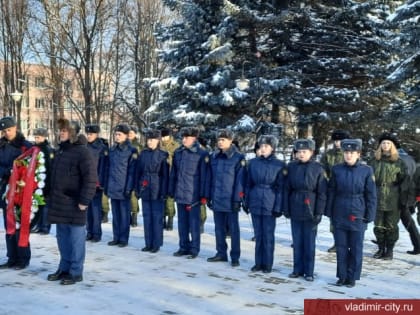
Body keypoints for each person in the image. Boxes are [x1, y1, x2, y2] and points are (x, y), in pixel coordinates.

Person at [46, 118, 97, 285]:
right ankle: (64, 267)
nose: (61, 133)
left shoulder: (83, 152)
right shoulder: (61, 151)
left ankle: (76, 272)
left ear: (73, 133)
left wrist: (84, 200)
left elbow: (90, 179)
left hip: (75, 203)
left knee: (76, 239)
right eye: (60, 130)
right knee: (62, 238)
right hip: (60, 203)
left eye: (65, 130)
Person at [326, 139, 377, 288]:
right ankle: (342, 276)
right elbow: (332, 191)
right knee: (341, 247)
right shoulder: (336, 169)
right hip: (340, 210)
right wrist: (329, 211)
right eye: (346, 153)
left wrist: (370, 214)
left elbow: (371, 195)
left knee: (355, 247)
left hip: (358, 212)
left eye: (352, 153)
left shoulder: (366, 170)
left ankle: (352, 277)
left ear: (358, 154)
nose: (348, 155)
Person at [285, 139, 327, 281]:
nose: (301, 154)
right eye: (299, 152)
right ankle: (297, 269)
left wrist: (319, 212)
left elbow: (322, 193)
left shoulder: (318, 168)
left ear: (311, 153)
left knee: (309, 242)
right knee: (297, 241)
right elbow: (287, 189)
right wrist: (286, 208)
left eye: (304, 152)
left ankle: (309, 271)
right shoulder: (291, 167)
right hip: (295, 204)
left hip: (311, 206)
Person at [245, 135, 286, 273]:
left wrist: (278, 207)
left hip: (270, 201)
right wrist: (246, 201)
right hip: (256, 199)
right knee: (258, 235)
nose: (263, 149)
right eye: (261, 146)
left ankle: (267, 264)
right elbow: (248, 184)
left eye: (266, 147)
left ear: (272, 148)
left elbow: (281, 188)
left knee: (268, 235)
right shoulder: (253, 163)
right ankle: (258, 263)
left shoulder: (279, 165)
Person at [207, 129, 246, 267]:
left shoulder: (238, 158)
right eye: (218, 140)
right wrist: (209, 197)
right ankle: (221, 253)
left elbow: (240, 182)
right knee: (219, 228)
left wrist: (237, 200)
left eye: (223, 140)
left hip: (230, 200)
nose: (220, 142)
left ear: (230, 141)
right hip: (217, 198)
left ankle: (235, 256)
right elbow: (210, 179)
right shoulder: (214, 157)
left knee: (234, 230)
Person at [169, 127, 209, 259]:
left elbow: (204, 176)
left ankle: (194, 249)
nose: (184, 139)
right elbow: (173, 174)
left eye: (187, 137)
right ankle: (183, 246)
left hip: (194, 195)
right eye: (183, 137)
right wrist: (171, 189)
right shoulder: (178, 152)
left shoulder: (201, 154)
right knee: (182, 223)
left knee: (194, 224)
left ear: (194, 139)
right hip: (180, 192)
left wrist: (203, 195)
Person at [0, 116, 33, 270]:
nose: (7, 133)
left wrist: (13, 172)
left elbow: (29, 167)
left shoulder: (25, 146)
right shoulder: (2, 145)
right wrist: (7, 171)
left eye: (9, 129)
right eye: (4, 131)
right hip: (5, 189)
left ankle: (23, 258)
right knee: (9, 225)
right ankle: (12, 257)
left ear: (16, 128)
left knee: (20, 225)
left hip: (21, 191)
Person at [369, 132, 407, 260]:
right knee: (378, 224)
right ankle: (380, 248)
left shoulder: (398, 162)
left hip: (393, 196)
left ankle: (389, 250)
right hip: (377, 195)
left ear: (392, 146)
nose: (385, 145)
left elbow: (404, 180)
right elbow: (368, 178)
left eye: (388, 143)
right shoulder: (374, 161)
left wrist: (403, 197)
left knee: (391, 225)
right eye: (383, 143)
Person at [135, 129, 169, 253]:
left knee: (157, 217)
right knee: (147, 217)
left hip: (157, 187)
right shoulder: (143, 154)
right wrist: (137, 188)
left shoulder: (163, 155)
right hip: (145, 186)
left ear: (157, 141)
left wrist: (163, 191)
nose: (149, 142)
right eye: (148, 140)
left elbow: (165, 176)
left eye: (152, 140)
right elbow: (137, 172)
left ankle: (156, 244)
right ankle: (148, 242)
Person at [105, 124, 138, 247]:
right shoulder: (112, 150)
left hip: (124, 188)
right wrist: (107, 186)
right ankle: (116, 237)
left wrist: (129, 188)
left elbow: (131, 172)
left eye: (119, 134)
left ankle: (124, 238)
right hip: (113, 186)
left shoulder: (131, 150)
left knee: (124, 215)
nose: (117, 136)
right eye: (116, 134)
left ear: (125, 136)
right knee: (115, 214)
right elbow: (108, 169)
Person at [320, 129, 350, 253]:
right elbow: (322, 169)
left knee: (347, 218)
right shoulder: (328, 154)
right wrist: (328, 180)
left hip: (346, 189)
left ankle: (347, 242)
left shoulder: (348, 153)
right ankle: (337, 243)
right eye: (336, 140)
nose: (338, 143)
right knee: (334, 219)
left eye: (340, 140)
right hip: (332, 190)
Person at [85, 124, 109, 243]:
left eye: (91, 134)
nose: (89, 136)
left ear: (96, 134)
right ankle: (89, 232)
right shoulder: (84, 146)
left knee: (95, 209)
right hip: (85, 182)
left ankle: (96, 233)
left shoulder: (101, 148)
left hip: (96, 182)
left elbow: (104, 167)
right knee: (87, 209)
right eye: (88, 134)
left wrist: (100, 181)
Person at [396, 148, 420, 255]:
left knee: (400, 220)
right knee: (408, 221)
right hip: (409, 195)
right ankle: (417, 245)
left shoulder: (398, 160)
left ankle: (384, 244)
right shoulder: (412, 161)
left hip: (399, 194)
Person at [31, 127, 53, 235]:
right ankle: (38, 225)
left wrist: (48, 184)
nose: (36, 139)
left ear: (44, 137)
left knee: (45, 206)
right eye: (35, 137)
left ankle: (45, 227)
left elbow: (50, 167)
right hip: (36, 181)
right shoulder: (34, 148)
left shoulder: (47, 149)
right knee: (37, 204)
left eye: (38, 137)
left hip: (46, 181)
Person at [160, 127, 179, 231]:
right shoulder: (159, 145)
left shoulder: (175, 146)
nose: (164, 138)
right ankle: (162, 218)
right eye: (162, 136)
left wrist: (168, 158)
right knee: (161, 198)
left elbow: (178, 160)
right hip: (161, 174)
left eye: (166, 136)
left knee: (170, 198)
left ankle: (170, 219)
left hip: (171, 173)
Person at [128, 125, 143, 227]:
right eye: (128, 133)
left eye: (131, 133)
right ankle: (128, 217)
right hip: (125, 174)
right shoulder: (124, 144)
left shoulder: (138, 146)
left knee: (133, 197)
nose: (129, 135)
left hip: (135, 174)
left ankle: (134, 217)